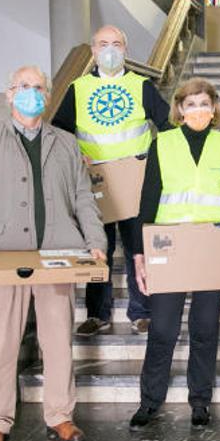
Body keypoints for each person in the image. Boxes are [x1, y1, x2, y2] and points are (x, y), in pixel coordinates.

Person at [0, 66, 108, 441]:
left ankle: (59, 415)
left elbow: (83, 197)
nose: (31, 93)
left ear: (47, 95)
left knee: (57, 339)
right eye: (24, 87)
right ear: (9, 94)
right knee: (3, 341)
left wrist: (95, 241)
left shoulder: (66, 144)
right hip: (4, 256)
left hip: (58, 254)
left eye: (38, 88)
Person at [127, 78, 220, 430]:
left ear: (214, 110)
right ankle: (150, 401)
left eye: (204, 104)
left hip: (212, 246)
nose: (198, 110)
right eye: (191, 104)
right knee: (163, 328)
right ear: (180, 109)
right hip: (171, 246)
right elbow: (148, 200)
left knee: (205, 327)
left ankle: (200, 401)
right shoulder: (162, 143)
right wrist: (139, 253)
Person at [53, 24, 171, 337]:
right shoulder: (78, 89)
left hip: (135, 180)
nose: (109, 49)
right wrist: (76, 156)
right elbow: (59, 132)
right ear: (92, 51)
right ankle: (97, 314)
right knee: (97, 248)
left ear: (125, 50)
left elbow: (168, 126)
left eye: (116, 43)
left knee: (138, 248)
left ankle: (142, 311)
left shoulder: (141, 85)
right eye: (103, 44)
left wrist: (154, 162)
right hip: (94, 182)